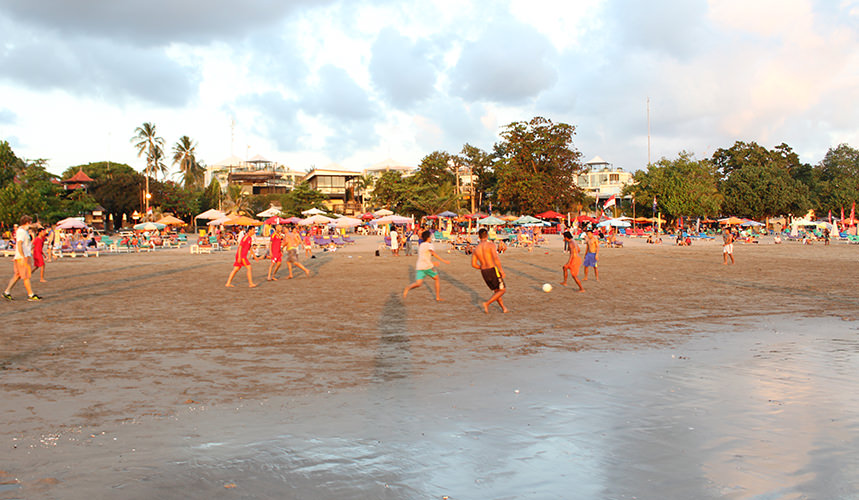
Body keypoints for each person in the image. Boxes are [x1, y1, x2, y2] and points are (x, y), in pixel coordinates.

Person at [403, 230, 450, 301]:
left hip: (420, 266)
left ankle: (408, 288)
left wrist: (432, 263)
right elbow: (433, 254)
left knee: (418, 284)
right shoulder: (429, 245)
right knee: (437, 278)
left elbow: (424, 256)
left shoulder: (421, 245)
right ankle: (437, 297)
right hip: (427, 267)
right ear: (428, 238)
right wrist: (443, 261)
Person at [3, 215, 41, 301]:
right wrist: (23, 256)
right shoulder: (21, 231)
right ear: (27, 222)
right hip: (23, 257)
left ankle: (7, 292)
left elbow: (25, 244)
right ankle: (30, 294)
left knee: (17, 275)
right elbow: (19, 244)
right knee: (26, 276)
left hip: (22, 256)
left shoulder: (24, 231)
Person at [472, 227, 509, 313]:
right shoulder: (491, 245)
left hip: (484, 272)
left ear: (479, 237)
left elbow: (474, 264)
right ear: (487, 236)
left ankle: (504, 308)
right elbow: (496, 258)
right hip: (492, 269)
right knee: (502, 290)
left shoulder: (476, 249)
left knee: (496, 290)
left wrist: (482, 267)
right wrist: (501, 270)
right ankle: (487, 303)